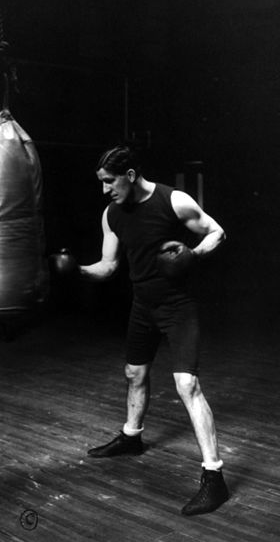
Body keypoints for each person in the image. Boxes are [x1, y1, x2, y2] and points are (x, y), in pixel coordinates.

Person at [78, 144, 229, 516]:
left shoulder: (173, 201)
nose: (105, 190)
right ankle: (131, 438)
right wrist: (73, 271)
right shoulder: (111, 213)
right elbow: (108, 265)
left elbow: (217, 232)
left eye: (109, 182)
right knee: (135, 373)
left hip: (178, 307)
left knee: (187, 385)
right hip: (143, 306)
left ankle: (215, 478)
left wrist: (194, 255)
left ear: (130, 175)